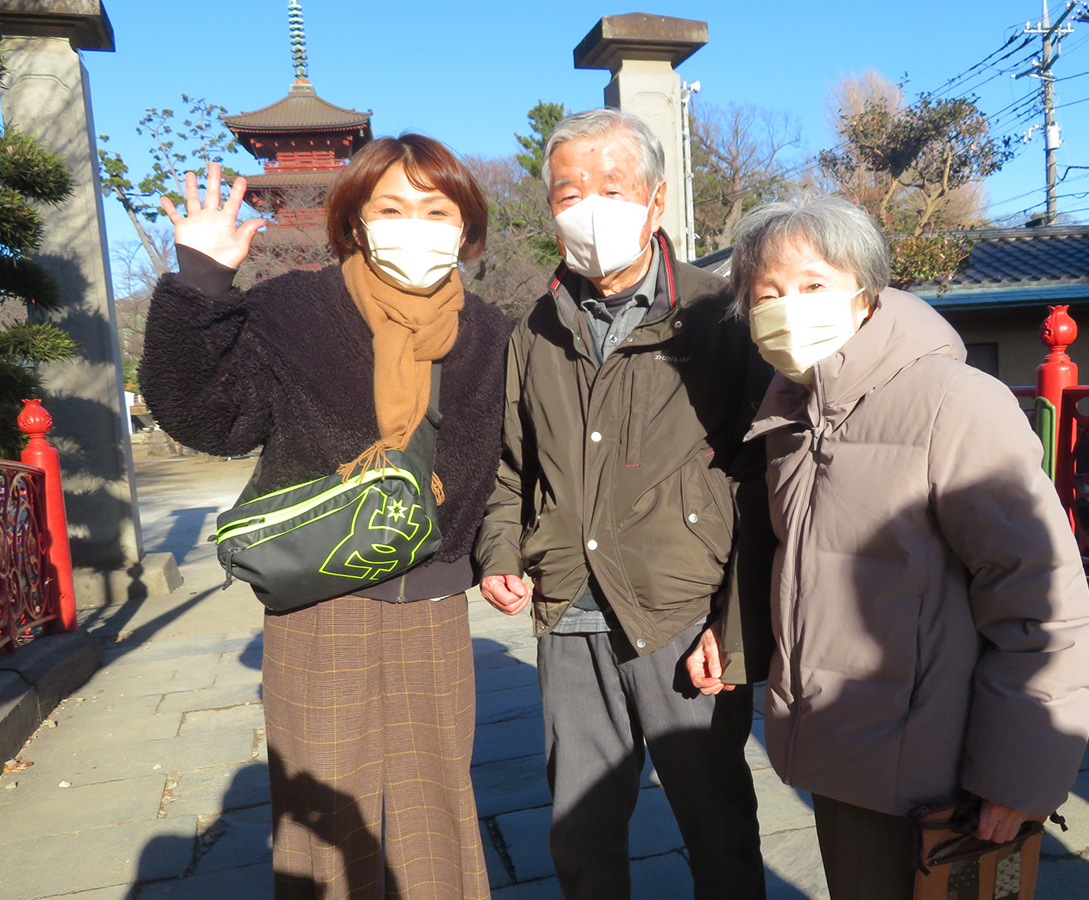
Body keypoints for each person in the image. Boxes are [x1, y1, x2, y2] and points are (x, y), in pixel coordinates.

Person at [686, 197, 1089, 900]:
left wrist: (1017, 774)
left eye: (814, 284)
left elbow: (1041, 599)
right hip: (837, 751)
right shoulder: (791, 414)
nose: (789, 308)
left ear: (865, 290)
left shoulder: (953, 402)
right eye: (767, 294)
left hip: (939, 770)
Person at [140, 136, 510, 900]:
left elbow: (513, 461)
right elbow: (210, 418)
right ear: (356, 222)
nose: (415, 227)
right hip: (318, 599)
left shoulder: (489, 333)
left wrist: (502, 552)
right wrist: (201, 284)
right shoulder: (295, 311)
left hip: (434, 599)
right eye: (391, 209)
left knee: (437, 811)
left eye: (436, 211)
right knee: (323, 819)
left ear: (466, 227)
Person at [473, 108, 769, 900]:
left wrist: (735, 626)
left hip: (684, 612)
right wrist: (501, 551)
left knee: (717, 825)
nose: (590, 207)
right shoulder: (536, 329)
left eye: (613, 187)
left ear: (656, 199)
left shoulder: (719, 314)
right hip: (570, 606)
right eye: (570, 192)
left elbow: (760, 480)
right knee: (581, 832)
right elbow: (511, 465)